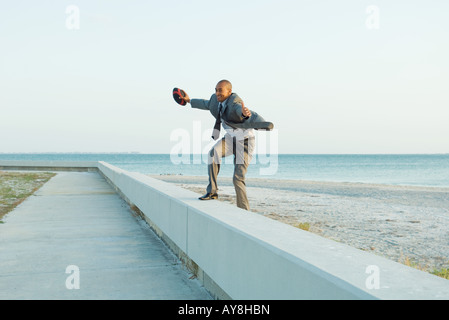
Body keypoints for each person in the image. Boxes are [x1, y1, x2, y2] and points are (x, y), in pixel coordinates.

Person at [182, 80, 272, 211]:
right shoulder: (215, 100)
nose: (217, 93)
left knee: (238, 178)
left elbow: (239, 111)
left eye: (220, 90)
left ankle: (244, 211)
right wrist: (189, 100)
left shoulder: (235, 102)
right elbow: (205, 103)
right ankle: (212, 192)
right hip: (230, 138)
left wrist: (244, 114)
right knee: (213, 154)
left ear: (229, 92)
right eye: (216, 90)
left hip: (245, 142)